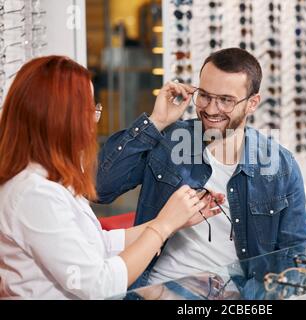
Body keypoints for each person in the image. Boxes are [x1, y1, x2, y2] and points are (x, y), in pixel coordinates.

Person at [0, 56, 222, 299]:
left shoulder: (46, 180)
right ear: (59, 118)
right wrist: (163, 225)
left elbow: (97, 243)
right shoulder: (35, 195)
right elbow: (99, 285)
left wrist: (175, 220)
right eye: (90, 109)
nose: (94, 121)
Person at [96, 48, 306, 289]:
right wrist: (157, 121)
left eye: (226, 100)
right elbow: (101, 188)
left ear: (252, 104)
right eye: (205, 95)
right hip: (156, 290)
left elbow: (293, 259)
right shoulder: (170, 140)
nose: (210, 109)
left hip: (236, 296)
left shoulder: (281, 166)